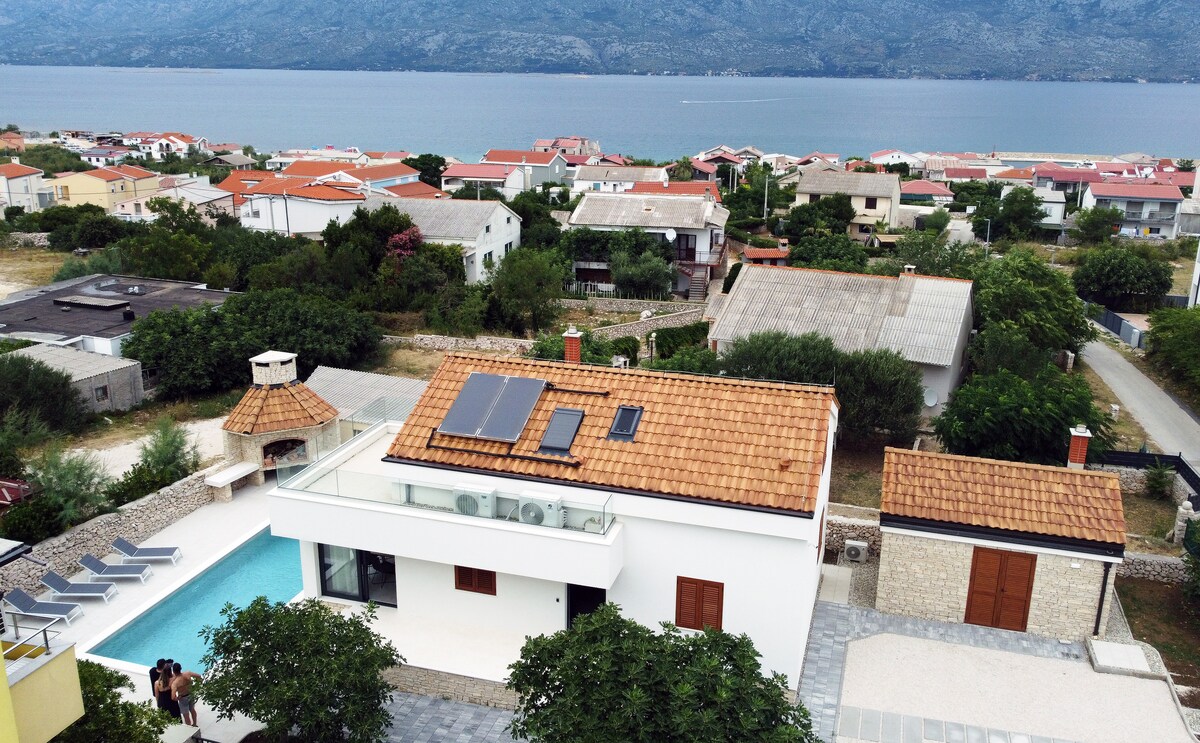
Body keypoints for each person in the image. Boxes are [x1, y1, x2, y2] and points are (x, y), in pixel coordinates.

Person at [170, 662, 203, 727]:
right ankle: (195, 724)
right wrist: (197, 686)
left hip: (183, 697)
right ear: (181, 668)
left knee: (186, 714)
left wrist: (178, 698)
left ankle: (190, 727)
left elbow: (173, 697)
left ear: (173, 671)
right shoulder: (188, 673)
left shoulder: (175, 683)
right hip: (191, 694)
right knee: (192, 710)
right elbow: (199, 676)